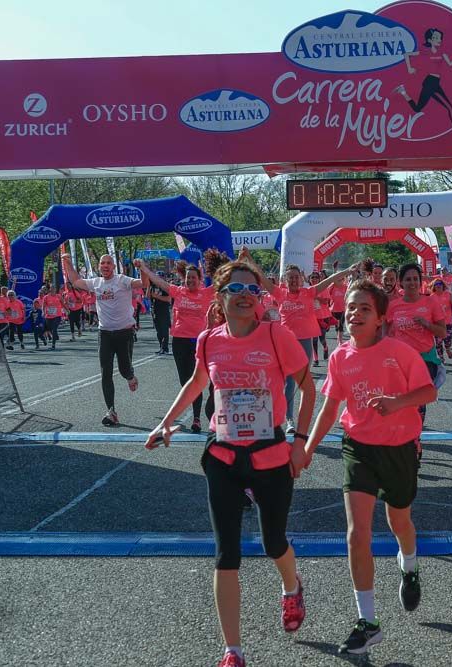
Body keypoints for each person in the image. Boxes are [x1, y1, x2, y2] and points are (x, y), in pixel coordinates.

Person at [145, 260, 314, 667]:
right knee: (226, 553)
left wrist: (300, 442)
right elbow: (196, 384)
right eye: (235, 289)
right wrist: (166, 424)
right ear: (219, 297)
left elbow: (309, 388)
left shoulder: (277, 335)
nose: (244, 295)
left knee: (274, 541)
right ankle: (232, 651)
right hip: (223, 456)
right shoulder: (207, 341)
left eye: (252, 290)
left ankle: (292, 588)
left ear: (260, 299)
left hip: (271, 454)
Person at [303, 279, 437, 655]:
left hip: (399, 449)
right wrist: (308, 448)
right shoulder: (339, 357)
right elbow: (330, 408)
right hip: (358, 447)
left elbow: (429, 392)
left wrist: (397, 403)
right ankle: (368, 622)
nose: (355, 314)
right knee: (356, 533)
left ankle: (409, 566)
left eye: (364, 308)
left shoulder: (400, 352)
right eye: (350, 307)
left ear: (380, 318)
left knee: (399, 522)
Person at [259, 261, 356, 434]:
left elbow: (330, 280)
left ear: (301, 278)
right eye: (291, 278)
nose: (295, 281)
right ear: (285, 280)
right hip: (286, 343)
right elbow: (262, 278)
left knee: (304, 382)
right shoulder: (280, 293)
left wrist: (347, 270)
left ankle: (301, 421)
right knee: (289, 382)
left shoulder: (309, 292)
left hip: (305, 342)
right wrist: (249, 259)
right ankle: (289, 420)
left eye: (297, 277)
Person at [62, 253, 147, 427]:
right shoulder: (96, 283)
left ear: (113, 266)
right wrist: (68, 262)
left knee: (124, 369)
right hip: (105, 333)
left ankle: (130, 376)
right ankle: (111, 411)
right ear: (99, 266)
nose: (105, 266)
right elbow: (76, 281)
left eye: (109, 263)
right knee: (105, 372)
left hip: (124, 333)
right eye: (103, 263)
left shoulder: (122, 280)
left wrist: (142, 269)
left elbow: (144, 284)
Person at [141, 261, 215, 433]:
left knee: (194, 380)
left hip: (197, 341)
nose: (190, 280)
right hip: (179, 341)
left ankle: (196, 418)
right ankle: (193, 411)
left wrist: (243, 261)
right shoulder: (178, 292)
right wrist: (144, 268)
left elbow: (226, 280)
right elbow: (158, 282)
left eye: (194, 278)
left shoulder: (206, 293)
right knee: (184, 381)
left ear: (199, 279)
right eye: (188, 277)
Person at [385, 263, 447, 425]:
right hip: (400, 362)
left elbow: (442, 332)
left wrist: (427, 325)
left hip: (425, 360)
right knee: (402, 399)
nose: (412, 283)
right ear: (401, 283)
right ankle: (405, 435)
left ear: (421, 282)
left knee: (418, 401)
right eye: (408, 279)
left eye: (415, 279)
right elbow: (384, 335)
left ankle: (415, 438)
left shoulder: (430, 303)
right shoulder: (393, 306)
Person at [394, 27, 452, 145]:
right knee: (450, 108)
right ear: (430, 40)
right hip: (430, 82)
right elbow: (407, 54)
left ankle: (403, 91)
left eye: (440, 38)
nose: (439, 40)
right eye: (436, 38)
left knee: (417, 109)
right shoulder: (425, 51)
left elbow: (450, 63)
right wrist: (409, 68)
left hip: (435, 83)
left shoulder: (442, 52)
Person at [430, 278, 452, 361]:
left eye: (440, 284)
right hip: (437, 324)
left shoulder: (448, 294)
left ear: (443, 286)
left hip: (448, 322)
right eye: (436, 285)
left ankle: (448, 349)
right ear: (434, 287)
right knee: (438, 342)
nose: (438, 286)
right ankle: (441, 358)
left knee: (448, 340)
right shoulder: (431, 297)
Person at [149, 278, 172, 354]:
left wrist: (156, 296)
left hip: (164, 311)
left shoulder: (164, 288)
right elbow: (147, 296)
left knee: (164, 331)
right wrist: (148, 286)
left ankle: (165, 348)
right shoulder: (152, 287)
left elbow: (169, 299)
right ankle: (161, 347)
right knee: (158, 331)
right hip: (155, 311)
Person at [330, 273, 348, 345]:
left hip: (343, 309)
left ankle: (340, 340)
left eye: (342, 279)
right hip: (333, 309)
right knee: (336, 325)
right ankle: (338, 336)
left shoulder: (345, 287)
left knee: (341, 324)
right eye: (338, 279)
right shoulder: (333, 287)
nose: (340, 281)